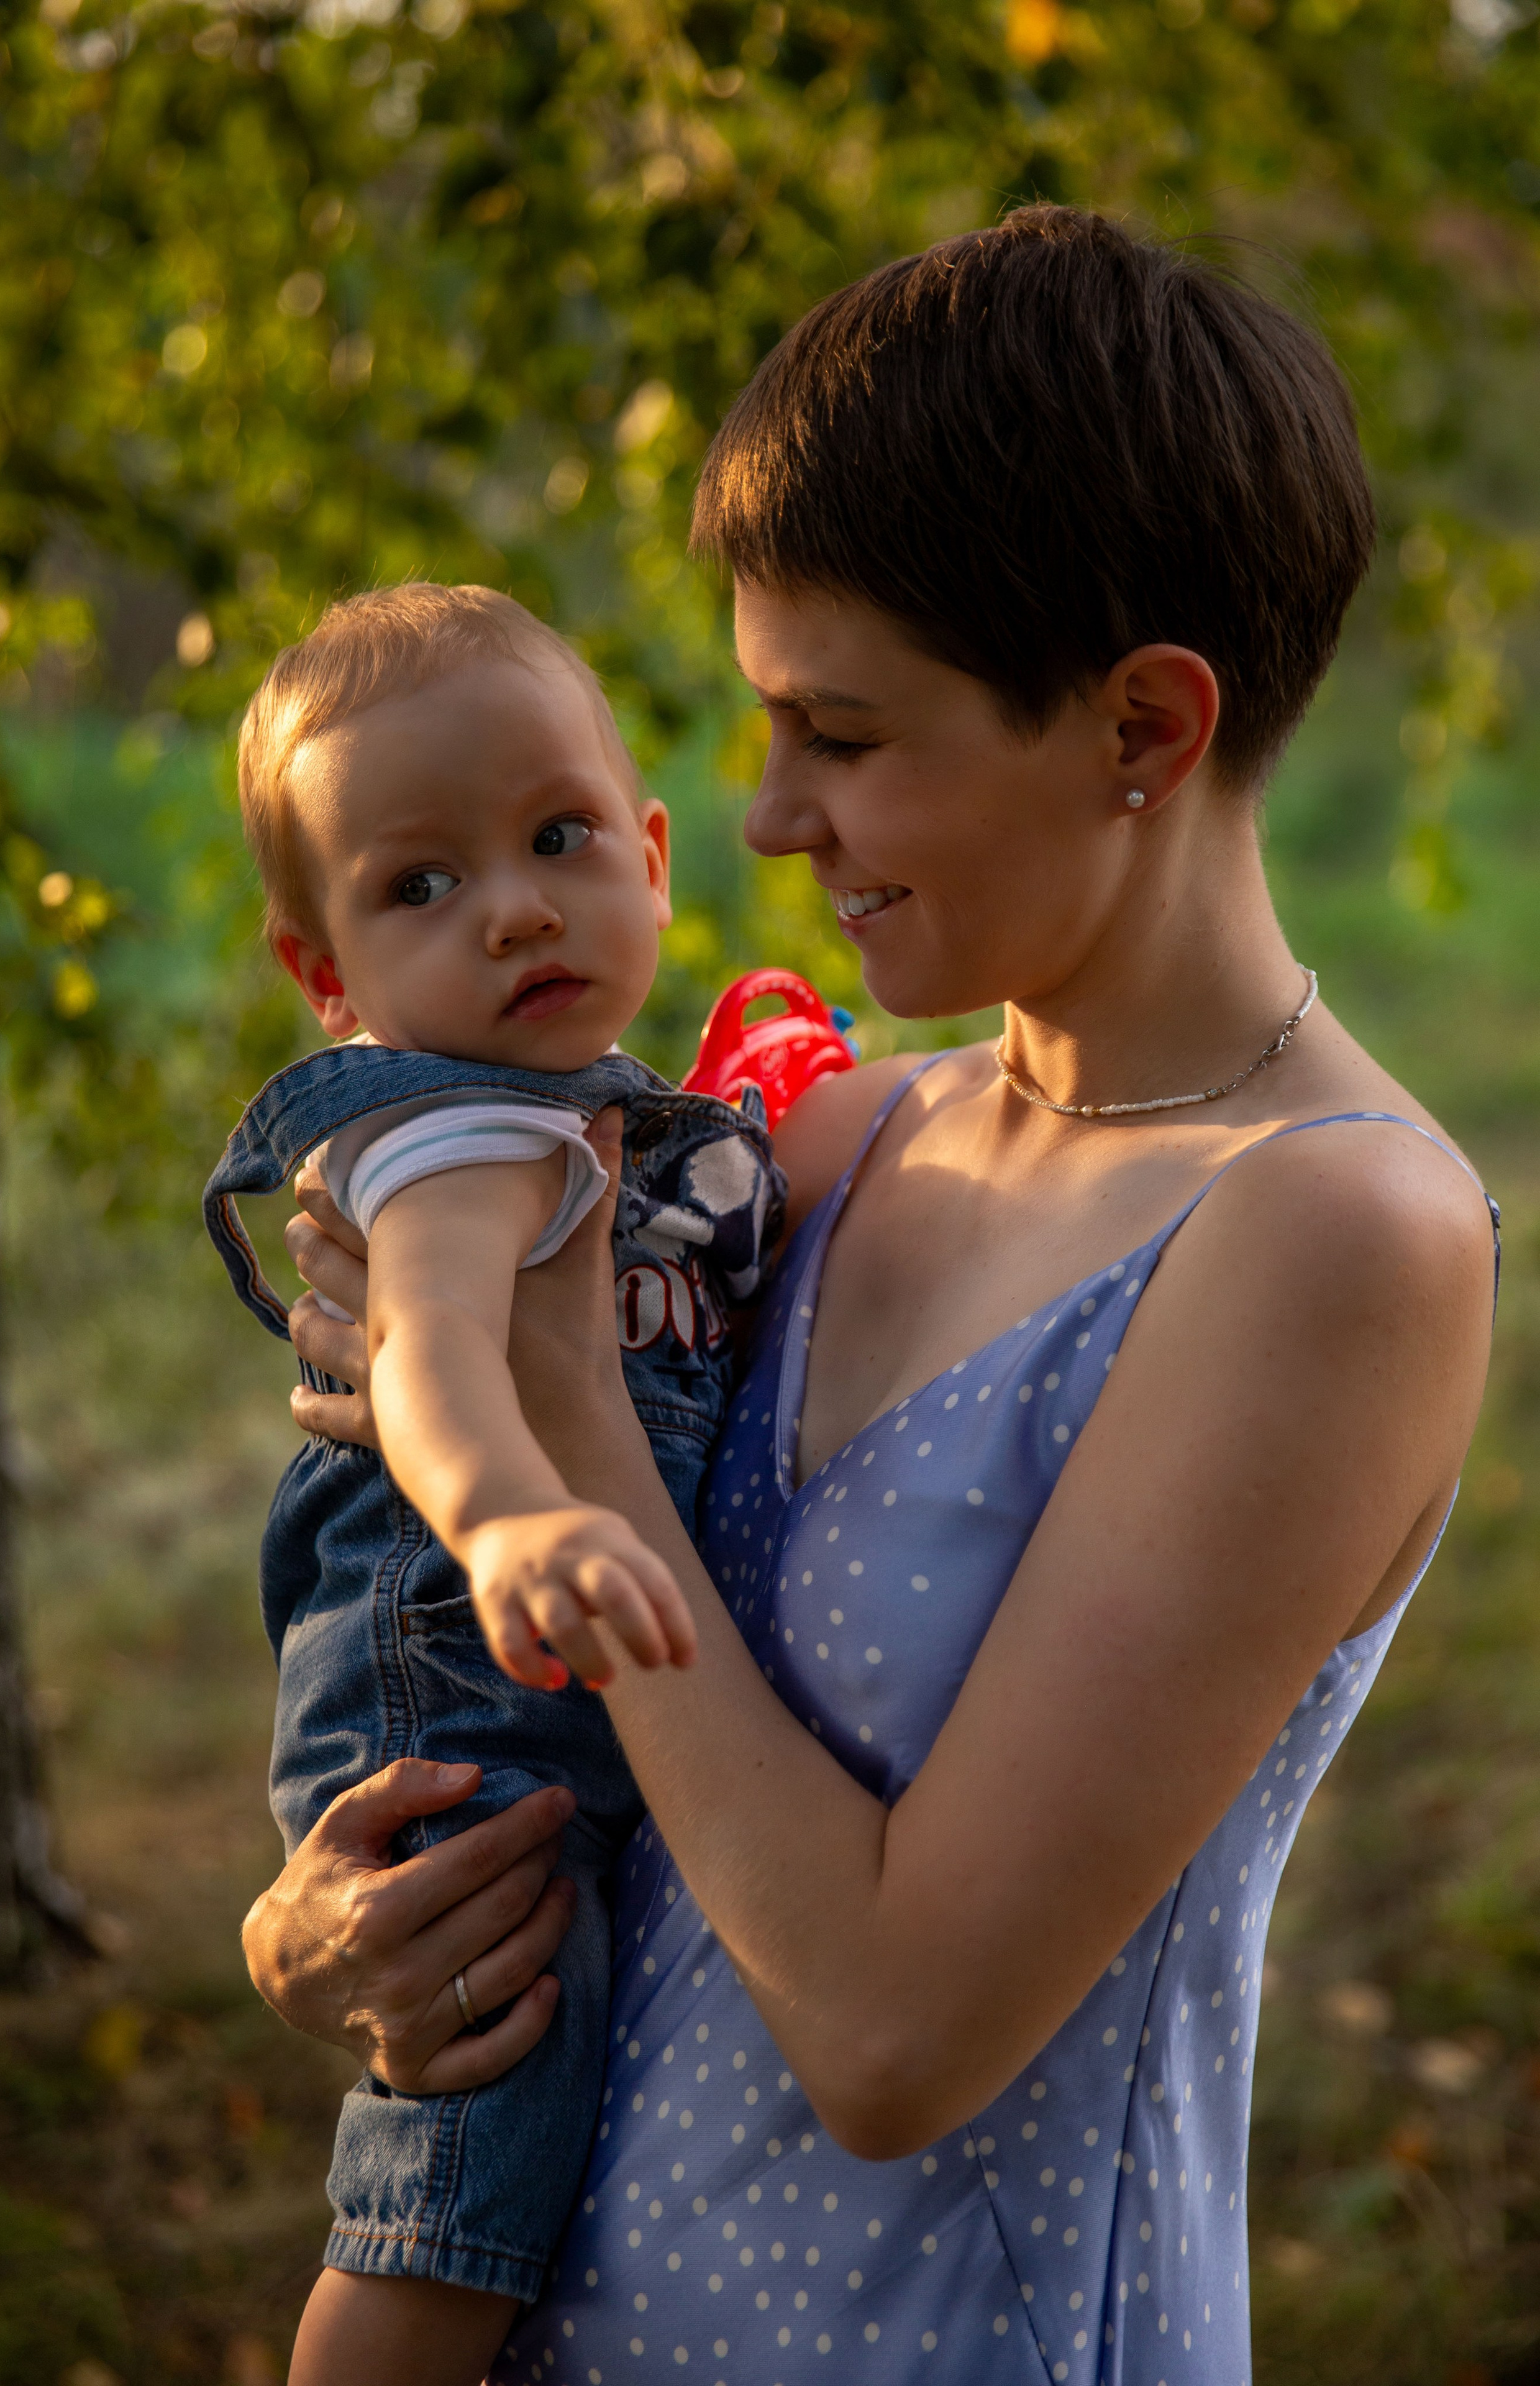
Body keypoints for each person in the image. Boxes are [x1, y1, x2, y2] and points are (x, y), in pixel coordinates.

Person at [243, 209, 1498, 2384]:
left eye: (841, 734)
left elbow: (902, 2034)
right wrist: (335, 1926)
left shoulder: (1332, 1238)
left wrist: (571, 1407)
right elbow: (482, 1674)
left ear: (1144, 723)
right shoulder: (823, 1147)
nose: (765, 815)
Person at [202, 582, 783, 2385]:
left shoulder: (602, 1114)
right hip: (463, 1699)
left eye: (557, 837)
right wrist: (514, 1513)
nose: (517, 906)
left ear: (653, 853)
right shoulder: (455, 1130)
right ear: (328, 976)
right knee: (477, 2134)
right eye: (420, 885)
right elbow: (433, 1353)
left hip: (541, 1685)